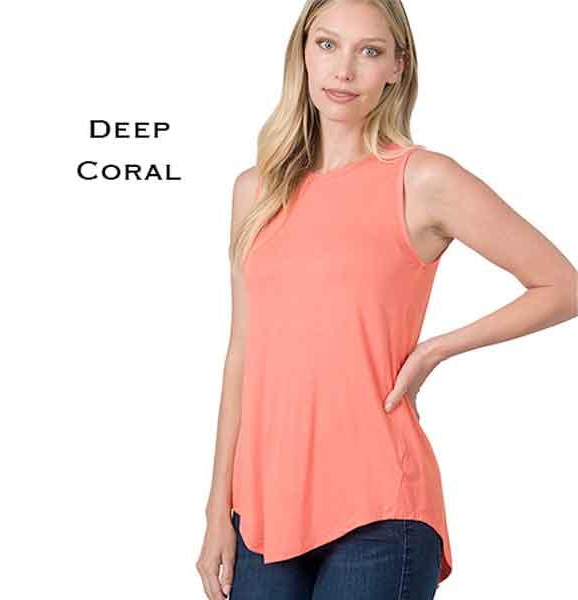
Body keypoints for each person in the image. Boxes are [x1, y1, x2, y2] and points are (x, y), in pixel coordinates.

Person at [196, 1, 578, 598]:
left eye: (369, 51)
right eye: (327, 44)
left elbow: (562, 285)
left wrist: (433, 350)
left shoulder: (423, 179)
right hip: (264, 509)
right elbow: (242, 355)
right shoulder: (256, 191)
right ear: (303, 52)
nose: (344, 70)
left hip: (380, 507)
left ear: (398, 66)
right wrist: (217, 509)